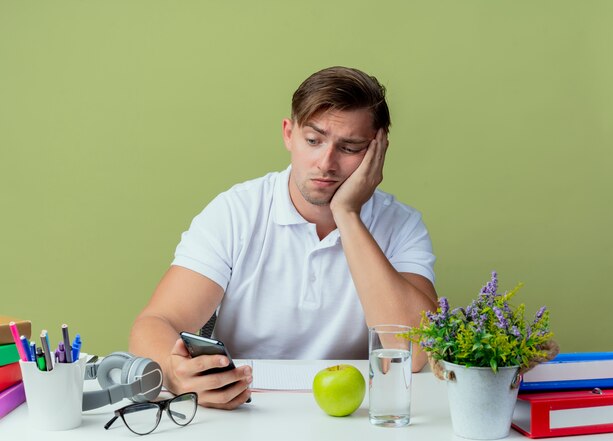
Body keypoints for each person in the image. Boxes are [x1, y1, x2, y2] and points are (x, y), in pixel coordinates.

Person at [129, 66, 438, 409]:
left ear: (377, 152)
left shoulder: (401, 224)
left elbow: (414, 352)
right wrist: (175, 373)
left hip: (355, 412)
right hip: (244, 408)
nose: (326, 163)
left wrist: (348, 215)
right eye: (313, 140)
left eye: (350, 147)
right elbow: (154, 324)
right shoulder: (236, 212)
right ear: (289, 134)